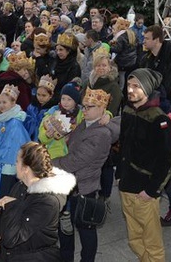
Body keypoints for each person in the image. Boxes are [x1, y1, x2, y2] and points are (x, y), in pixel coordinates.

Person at [53, 88, 120, 262]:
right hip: (70, 184)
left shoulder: (101, 134)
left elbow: (75, 160)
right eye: (84, 106)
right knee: (66, 226)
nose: (84, 110)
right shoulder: (86, 123)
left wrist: (49, 163)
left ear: (102, 109)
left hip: (83, 187)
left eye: (90, 107)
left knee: (86, 229)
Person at [118, 68, 171, 262]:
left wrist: (152, 190)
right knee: (134, 239)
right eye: (129, 85)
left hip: (144, 191)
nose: (131, 90)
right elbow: (123, 143)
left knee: (152, 242)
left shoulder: (159, 119)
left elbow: (167, 160)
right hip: (126, 185)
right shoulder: (127, 110)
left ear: (147, 89)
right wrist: (120, 174)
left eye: (137, 86)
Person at [0, 142, 76, 262]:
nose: (15, 164)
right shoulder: (19, 187)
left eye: (17, 161)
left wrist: (13, 206)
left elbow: (11, 239)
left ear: (26, 169)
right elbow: (4, 229)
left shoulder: (47, 202)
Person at [0, 84, 31, 197]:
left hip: (9, 165)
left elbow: (10, 146)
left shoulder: (14, 123)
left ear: (13, 103)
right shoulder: (2, 119)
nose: (1, 105)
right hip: (0, 164)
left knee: (5, 196)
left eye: (4, 102)